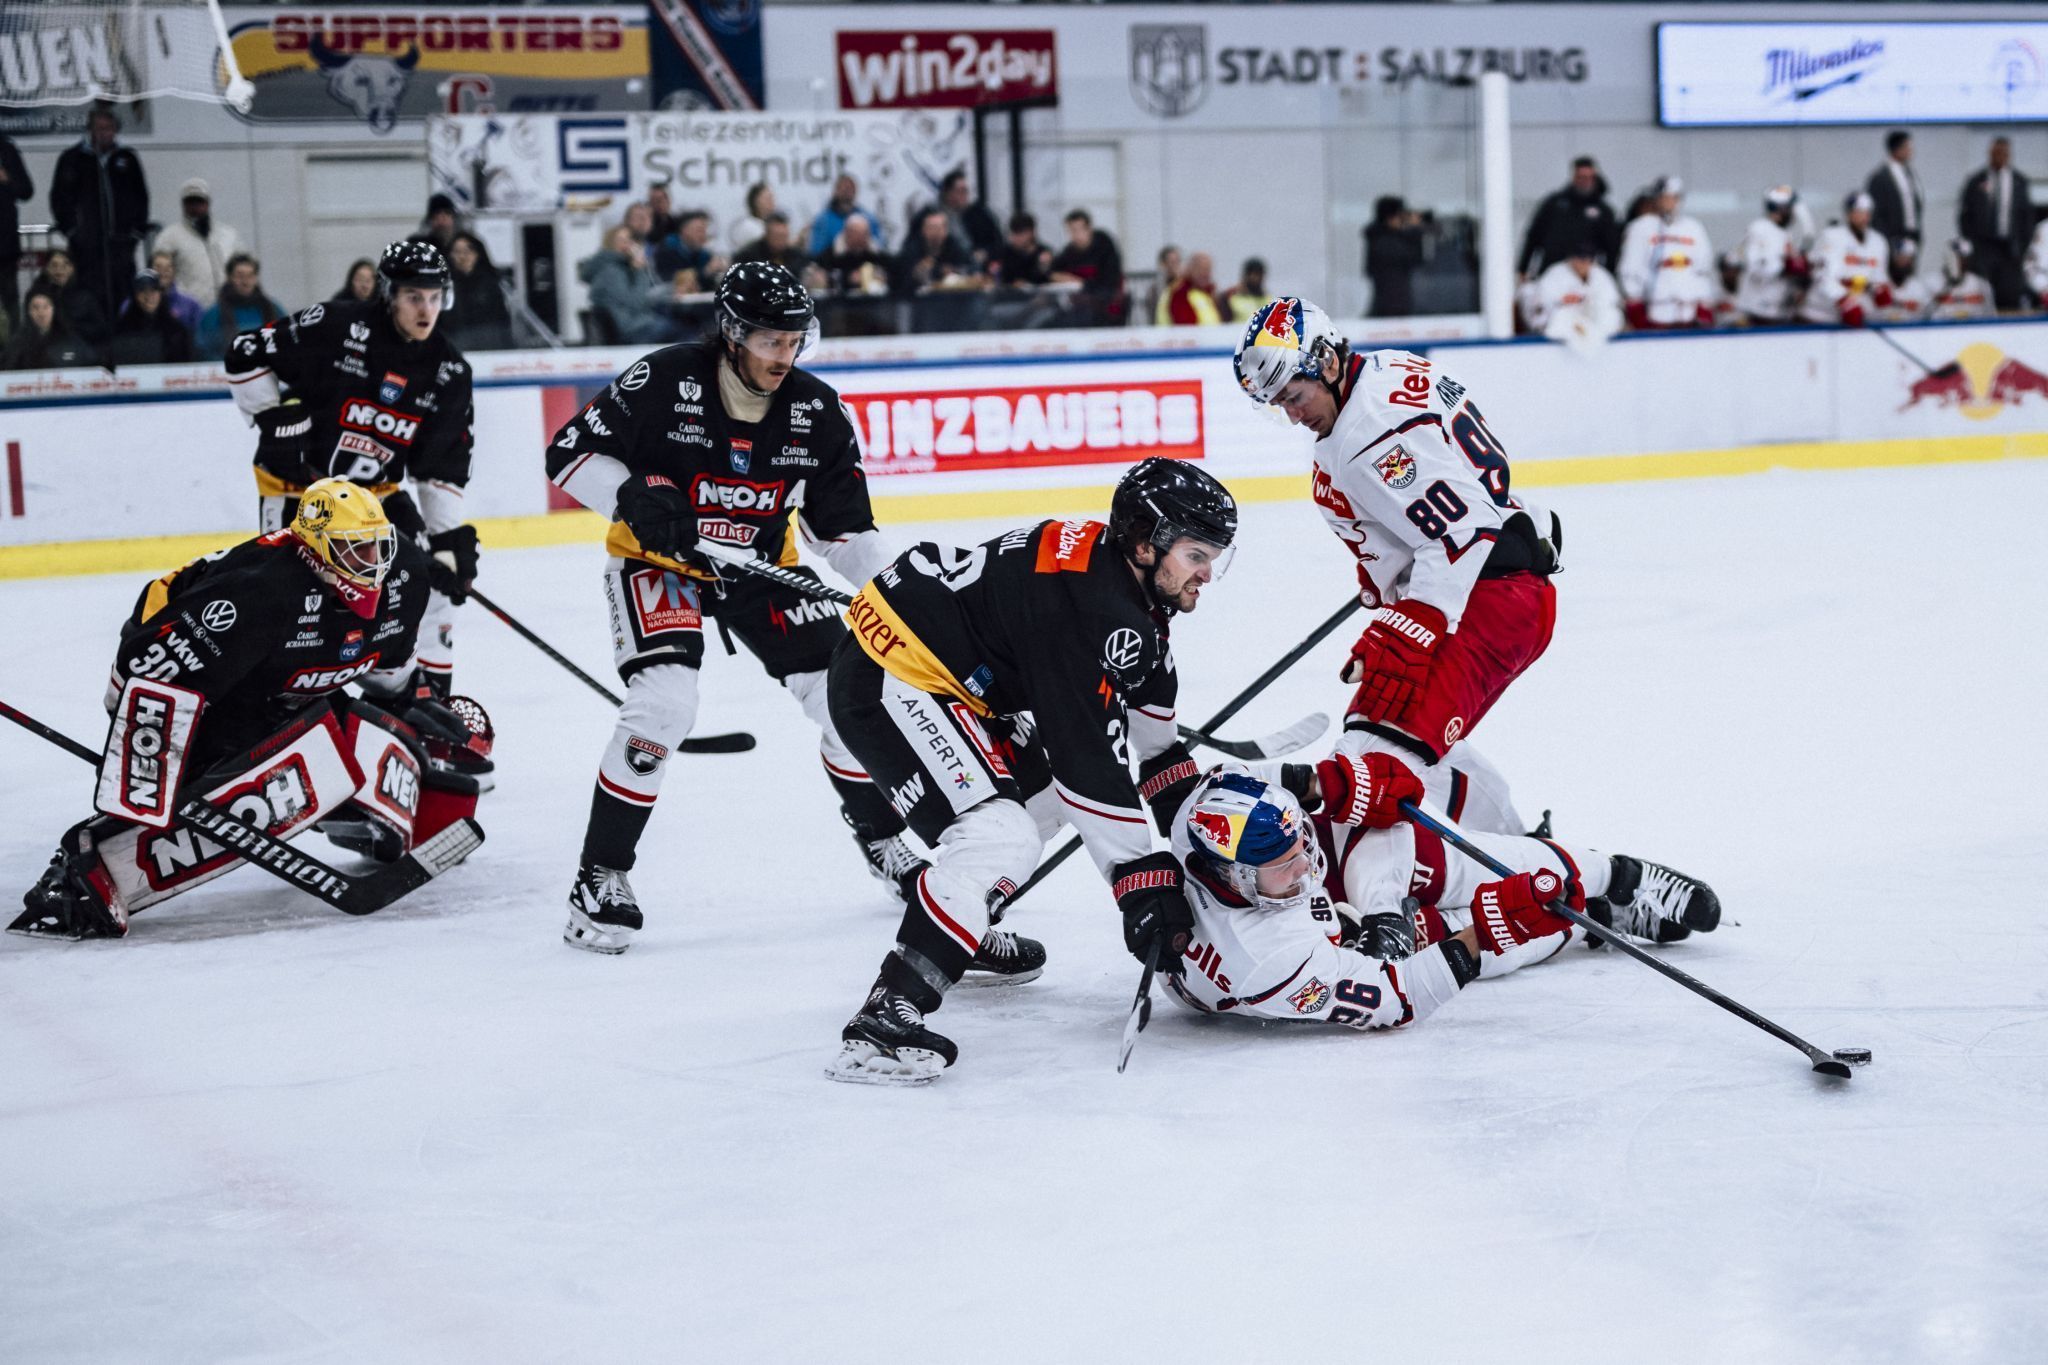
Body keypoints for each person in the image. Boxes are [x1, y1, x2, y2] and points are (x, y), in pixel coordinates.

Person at [824, 458, 1240, 1084]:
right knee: (1001, 836)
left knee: (1043, 803)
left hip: (953, 680)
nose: (1207, 573)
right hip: (893, 675)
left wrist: (1201, 839)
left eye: (1213, 557)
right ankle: (885, 1018)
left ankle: (958, 927)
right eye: (1195, 554)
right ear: (1143, 543)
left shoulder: (1124, 597)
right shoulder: (1090, 608)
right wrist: (1140, 882)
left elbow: (1156, 749)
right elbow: (1086, 761)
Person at [542, 262, 910, 955]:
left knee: (849, 698)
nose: (784, 356)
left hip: (761, 568)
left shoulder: (816, 410)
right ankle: (600, 875)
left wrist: (899, 588)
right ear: (733, 334)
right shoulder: (665, 379)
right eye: (771, 341)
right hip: (658, 562)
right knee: (664, 705)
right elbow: (567, 453)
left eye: (794, 341)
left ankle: (885, 842)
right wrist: (632, 497)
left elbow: (843, 531)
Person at [8, 479, 488, 941]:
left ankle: (387, 810)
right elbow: (139, 677)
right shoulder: (257, 595)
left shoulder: (404, 574)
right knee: (267, 773)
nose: (373, 565)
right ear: (315, 553)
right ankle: (82, 875)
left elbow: (385, 668)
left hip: (273, 681)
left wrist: (411, 702)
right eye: (354, 551)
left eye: (376, 547)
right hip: (189, 671)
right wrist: (149, 772)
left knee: (338, 739)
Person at [1232, 297, 1561, 796]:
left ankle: (1525, 850)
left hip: (1485, 598)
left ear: (1327, 361)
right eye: (1280, 405)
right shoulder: (1384, 367)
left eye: (1295, 396)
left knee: (1371, 766)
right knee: (1408, 747)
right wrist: (1385, 563)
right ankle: (1514, 834)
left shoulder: (1370, 433)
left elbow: (1462, 529)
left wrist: (1414, 623)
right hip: (1502, 580)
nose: (1294, 416)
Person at [1160, 766, 1719, 1029]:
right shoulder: (1267, 958)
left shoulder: (1206, 808)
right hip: (1334, 958)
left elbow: (1260, 779)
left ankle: (1616, 875)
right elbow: (1397, 997)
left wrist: (1334, 784)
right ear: (1232, 875)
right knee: (1491, 929)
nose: (1305, 866)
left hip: (1333, 916)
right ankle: (1591, 916)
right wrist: (1484, 934)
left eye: (1299, 846)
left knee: (1402, 835)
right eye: (1285, 866)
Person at [222, 240, 479, 698]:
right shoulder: (335, 324)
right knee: (296, 602)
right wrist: (270, 417)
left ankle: (425, 707)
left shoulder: (449, 370)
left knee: (429, 587)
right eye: (414, 297)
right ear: (389, 294)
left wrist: (445, 541)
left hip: (375, 499)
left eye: (435, 297)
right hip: (301, 493)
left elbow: (442, 465)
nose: (426, 310)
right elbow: (245, 351)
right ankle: (287, 704)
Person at [49, 104, 148, 325]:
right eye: (100, 128)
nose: (105, 133)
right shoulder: (72, 159)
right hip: (86, 248)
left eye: (109, 128)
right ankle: (96, 340)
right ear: (90, 130)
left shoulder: (127, 158)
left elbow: (141, 197)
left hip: (122, 245)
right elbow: (59, 199)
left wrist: (135, 233)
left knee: (124, 295)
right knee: (90, 297)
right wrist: (73, 232)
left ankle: (124, 338)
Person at [1618, 176, 1716, 329]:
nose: (1669, 202)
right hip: (1655, 311)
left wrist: (1704, 304)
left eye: (1673, 197)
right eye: (1664, 198)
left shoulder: (1693, 228)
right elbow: (1630, 269)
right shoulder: (1640, 228)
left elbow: (1703, 268)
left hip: (1688, 310)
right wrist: (1635, 304)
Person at [1959, 137, 2036, 312]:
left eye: (2004, 153)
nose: (2000, 157)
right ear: (1990, 154)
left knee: (2009, 293)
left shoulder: (2019, 181)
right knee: (1982, 293)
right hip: (1984, 247)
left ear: (2009, 155)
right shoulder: (1976, 181)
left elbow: (2027, 217)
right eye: (1996, 153)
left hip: (2010, 249)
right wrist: (1973, 244)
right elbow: (1965, 216)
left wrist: (2022, 246)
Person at [1517, 156, 1621, 280]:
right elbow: (1534, 236)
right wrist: (1523, 268)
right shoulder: (1554, 204)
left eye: (1589, 177)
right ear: (1573, 177)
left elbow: (1612, 248)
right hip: (1551, 271)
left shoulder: (1603, 211)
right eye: (1581, 177)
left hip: (1585, 277)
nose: (1585, 181)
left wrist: (1609, 276)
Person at [1801, 192, 1891, 327]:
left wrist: (1880, 290)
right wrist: (1844, 301)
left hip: (1859, 315)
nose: (1863, 217)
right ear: (1849, 213)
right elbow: (1822, 276)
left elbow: (1879, 276)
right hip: (1822, 315)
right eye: (1858, 212)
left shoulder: (1878, 241)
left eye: (1866, 212)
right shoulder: (1832, 236)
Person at [580, 225, 676, 345]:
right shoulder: (610, 270)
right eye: (621, 240)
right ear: (610, 244)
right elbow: (635, 303)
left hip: (639, 322)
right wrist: (639, 271)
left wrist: (671, 290)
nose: (627, 245)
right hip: (629, 328)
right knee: (681, 330)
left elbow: (652, 290)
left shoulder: (624, 266)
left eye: (629, 240)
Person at [150, 178, 241, 299]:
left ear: (208, 203)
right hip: (190, 308)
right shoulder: (168, 238)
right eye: (190, 202)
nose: (195, 207)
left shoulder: (228, 235)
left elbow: (244, 269)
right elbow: (158, 276)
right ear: (183, 205)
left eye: (199, 202)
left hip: (228, 306)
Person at [1736, 186, 1810, 325]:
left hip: (1780, 310)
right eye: (1788, 209)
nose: (1791, 213)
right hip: (1757, 310)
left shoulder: (1786, 233)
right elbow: (1755, 267)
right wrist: (1784, 267)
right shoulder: (1759, 228)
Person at [1525, 240, 1623, 344]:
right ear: (1571, 258)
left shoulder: (1600, 275)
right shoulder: (1555, 274)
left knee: (1609, 315)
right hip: (1563, 331)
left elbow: (1612, 303)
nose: (1583, 263)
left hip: (1594, 327)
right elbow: (1542, 307)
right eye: (1580, 258)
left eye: (1587, 258)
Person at [197, 253, 287, 358]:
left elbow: (288, 341)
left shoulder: (274, 310)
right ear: (230, 278)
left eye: (250, 276)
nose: (245, 282)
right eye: (240, 276)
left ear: (256, 278)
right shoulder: (214, 314)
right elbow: (204, 351)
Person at [1048, 208, 1125, 326]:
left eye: (1079, 230)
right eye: (1072, 231)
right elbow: (1053, 271)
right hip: (1079, 304)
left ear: (1089, 229)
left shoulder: (1104, 247)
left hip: (1105, 303)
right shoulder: (1070, 251)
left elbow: (1108, 281)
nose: (1076, 235)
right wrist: (1057, 276)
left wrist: (1080, 283)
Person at [104, 270, 194, 366]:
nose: (149, 296)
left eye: (153, 290)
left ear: (160, 294)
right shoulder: (121, 329)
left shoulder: (176, 331)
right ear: (135, 295)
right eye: (142, 291)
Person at [443, 232, 513, 352]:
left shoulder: (491, 284)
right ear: (450, 256)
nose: (462, 256)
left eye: (467, 251)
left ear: (477, 254)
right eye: (457, 252)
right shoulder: (444, 287)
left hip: (490, 347)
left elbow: (502, 321)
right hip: (455, 347)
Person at [1, 286, 96, 369]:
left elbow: (91, 363)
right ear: (28, 312)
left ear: (53, 310)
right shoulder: (18, 344)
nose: (41, 313)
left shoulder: (70, 340)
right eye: (35, 307)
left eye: (46, 307)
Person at [31, 246, 109, 345]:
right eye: (54, 265)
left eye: (65, 265)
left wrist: (72, 328)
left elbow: (101, 329)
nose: (59, 270)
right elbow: (31, 328)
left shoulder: (85, 297)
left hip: (80, 348)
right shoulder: (37, 295)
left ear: (72, 268)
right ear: (46, 269)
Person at [1364, 196, 1425, 318]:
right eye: (1400, 216)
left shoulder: (1381, 237)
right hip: (1390, 307)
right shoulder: (1382, 241)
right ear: (1389, 218)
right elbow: (1413, 258)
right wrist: (1415, 231)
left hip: (1394, 304)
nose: (1403, 221)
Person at [1866, 130, 1923, 258]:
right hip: (1892, 238)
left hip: (1911, 235)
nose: (1910, 151)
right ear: (1897, 149)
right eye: (1907, 147)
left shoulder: (1910, 174)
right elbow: (1876, 214)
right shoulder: (1881, 177)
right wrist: (1886, 240)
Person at [928, 169, 1002, 264]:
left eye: (966, 191)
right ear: (948, 193)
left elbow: (998, 243)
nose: (965, 195)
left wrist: (985, 253)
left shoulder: (979, 213)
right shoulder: (933, 216)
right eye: (961, 191)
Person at [894, 208, 977, 293]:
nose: (936, 232)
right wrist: (937, 271)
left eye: (940, 227)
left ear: (946, 230)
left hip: (952, 295)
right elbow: (904, 279)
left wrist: (955, 270)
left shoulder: (953, 245)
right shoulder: (912, 248)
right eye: (932, 227)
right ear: (923, 229)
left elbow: (972, 267)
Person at [0, 131, 33, 329]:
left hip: (4, 244)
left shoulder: (7, 149)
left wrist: (7, 179)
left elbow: (26, 190)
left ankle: (14, 345)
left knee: (10, 299)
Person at [806, 174, 882, 258]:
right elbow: (816, 252)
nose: (847, 192)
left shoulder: (868, 219)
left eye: (850, 189)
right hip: (833, 261)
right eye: (844, 188)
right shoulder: (822, 220)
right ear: (836, 191)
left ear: (856, 191)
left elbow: (879, 247)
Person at [815, 214, 890, 294]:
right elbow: (823, 279)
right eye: (857, 235)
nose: (862, 239)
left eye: (865, 234)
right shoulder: (830, 255)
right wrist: (848, 278)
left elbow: (891, 274)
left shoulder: (876, 254)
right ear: (847, 234)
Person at [652, 210, 726, 290]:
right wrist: (706, 271)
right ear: (685, 230)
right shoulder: (667, 250)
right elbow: (673, 281)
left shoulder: (703, 254)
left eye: (705, 231)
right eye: (699, 230)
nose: (704, 235)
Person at [734, 211, 814, 280]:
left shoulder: (797, 256)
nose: (780, 241)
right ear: (767, 234)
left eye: (784, 237)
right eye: (776, 236)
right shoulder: (749, 256)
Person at [149, 250, 204, 334]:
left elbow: (202, 336)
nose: (163, 271)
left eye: (168, 268)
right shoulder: (136, 304)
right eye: (158, 267)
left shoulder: (191, 305)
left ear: (174, 272)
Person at [991, 213, 1051, 287]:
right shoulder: (1005, 253)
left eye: (1020, 234)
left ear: (1030, 233)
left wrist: (1044, 267)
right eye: (1014, 234)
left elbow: (1045, 279)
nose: (1016, 238)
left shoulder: (1043, 254)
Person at [1217, 257, 1274, 325]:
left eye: (1259, 274)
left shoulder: (1269, 301)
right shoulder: (1233, 298)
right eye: (1253, 274)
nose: (1256, 278)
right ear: (1246, 276)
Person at [730, 182, 775, 252]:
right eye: (767, 198)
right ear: (756, 201)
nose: (772, 202)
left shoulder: (770, 224)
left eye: (772, 198)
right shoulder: (748, 226)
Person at [1145, 245, 1182, 326]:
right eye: (1172, 262)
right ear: (1163, 264)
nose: (1176, 266)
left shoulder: (1184, 285)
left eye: (1178, 261)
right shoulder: (1155, 290)